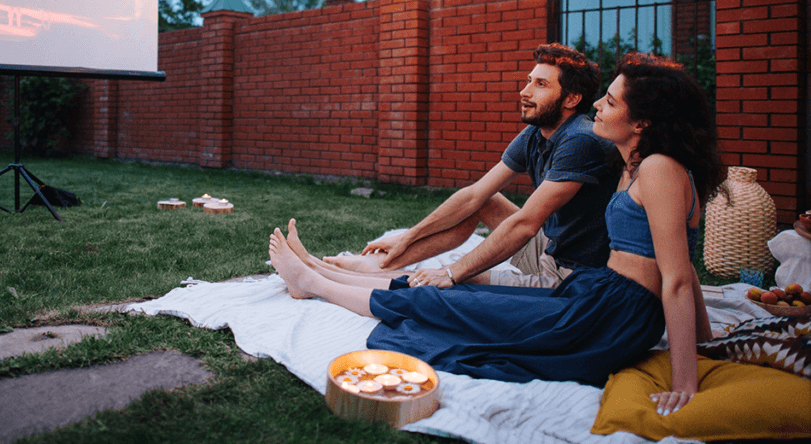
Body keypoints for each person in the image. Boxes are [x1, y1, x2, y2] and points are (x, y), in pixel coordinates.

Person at [269, 52, 719, 414]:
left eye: (612, 102)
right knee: (458, 295)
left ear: (641, 123)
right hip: (595, 296)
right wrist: (708, 341)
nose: (598, 105)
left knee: (448, 300)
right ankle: (318, 274)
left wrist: (687, 378)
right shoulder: (640, 165)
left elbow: (677, 277)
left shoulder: (656, 168)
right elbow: (680, 263)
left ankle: (312, 283)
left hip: (607, 315)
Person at [322, 43, 617, 289]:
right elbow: (475, 195)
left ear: (572, 98)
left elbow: (525, 224)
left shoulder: (580, 139)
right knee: (485, 202)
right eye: (529, 80)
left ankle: (366, 275)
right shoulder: (537, 132)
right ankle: (379, 265)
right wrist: (406, 237)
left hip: (572, 277)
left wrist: (452, 271)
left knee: (455, 282)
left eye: (540, 84)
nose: (524, 92)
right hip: (551, 248)